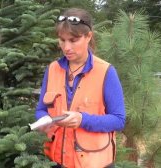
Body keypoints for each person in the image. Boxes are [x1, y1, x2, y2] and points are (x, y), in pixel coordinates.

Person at [35, 8, 126, 168]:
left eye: (73, 40)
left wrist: (83, 120)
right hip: (58, 161)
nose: (66, 47)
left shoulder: (106, 72)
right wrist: (42, 121)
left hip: (95, 163)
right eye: (62, 40)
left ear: (88, 36)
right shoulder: (52, 69)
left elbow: (119, 120)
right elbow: (41, 109)